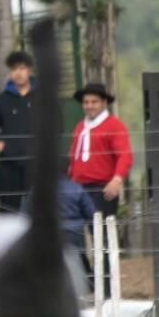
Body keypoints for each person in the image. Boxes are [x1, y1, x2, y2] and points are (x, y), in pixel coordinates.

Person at [67, 82, 132, 294]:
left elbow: (124, 155)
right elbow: (73, 158)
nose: (89, 106)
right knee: (73, 237)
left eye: (94, 101)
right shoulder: (80, 127)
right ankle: (87, 282)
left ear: (104, 103)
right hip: (78, 189)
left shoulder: (114, 126)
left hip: (101, 190)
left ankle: (105, 286)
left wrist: (117, 179)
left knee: (101, 238)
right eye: (86, 102)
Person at [0, 51, 36, 213]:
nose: (18, 73)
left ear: (29, 71)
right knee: (8, 209)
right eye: (14, 69)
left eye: (22, 68)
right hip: (9, 165)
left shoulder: (43, 98)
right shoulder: (2, 100)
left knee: (39, 208)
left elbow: (57, 126)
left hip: (37, 164)